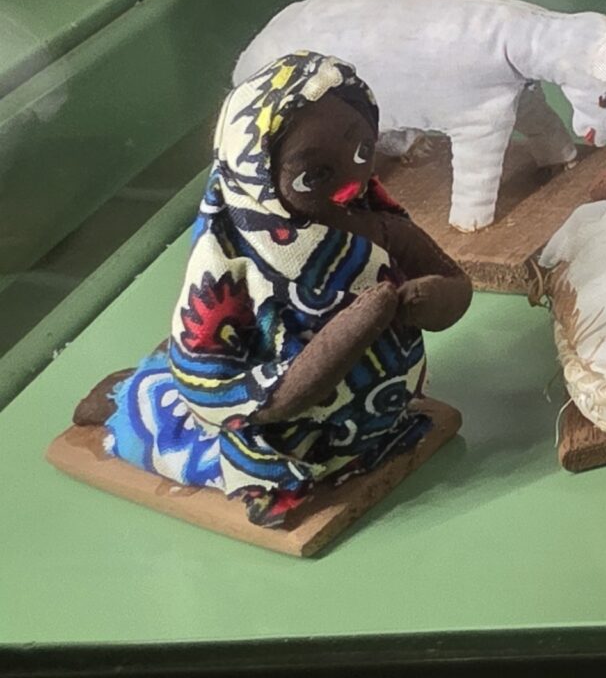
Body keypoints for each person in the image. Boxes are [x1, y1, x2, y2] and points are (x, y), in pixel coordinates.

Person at [80, 53, 469, 527]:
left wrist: (429, 299)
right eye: (313, 176)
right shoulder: (235, 261)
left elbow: (453, 283)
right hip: (283, 418)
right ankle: (128, 398)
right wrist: (349, 333)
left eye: (362, 150)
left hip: (381, 400)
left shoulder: (376, 220)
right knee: (172, 421)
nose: (350, 180)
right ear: (260, 176)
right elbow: (210, 376)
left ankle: (369, 431)